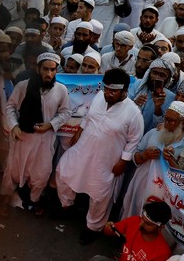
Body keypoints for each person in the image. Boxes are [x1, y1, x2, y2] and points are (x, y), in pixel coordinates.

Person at [55, 69, 145, 244]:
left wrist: (123, 162)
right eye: (106, 89)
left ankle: (93, 227)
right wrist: (79, 131)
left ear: (124, 91)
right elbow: (88, 117)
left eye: (113, 91)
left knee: (99, 195)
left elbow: (134, 140)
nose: (108, 94)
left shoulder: (134, 113)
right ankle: (66, 206)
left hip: (106, 160)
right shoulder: (98, 97)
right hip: (83, 149)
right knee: (63, 172)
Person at [1, 52, 71, 214]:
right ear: (38, 69)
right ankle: (5, 198)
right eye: (45, 69)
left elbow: (66, 112)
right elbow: (10, 107)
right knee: (13, 171)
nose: (49, 74)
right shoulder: (23, 86)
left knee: (41, 173)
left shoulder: (60, 90)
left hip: (44, 140)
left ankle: (34, 200)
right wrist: (14, 126)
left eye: (53, 70)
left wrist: (50, 124)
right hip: (22, 137)